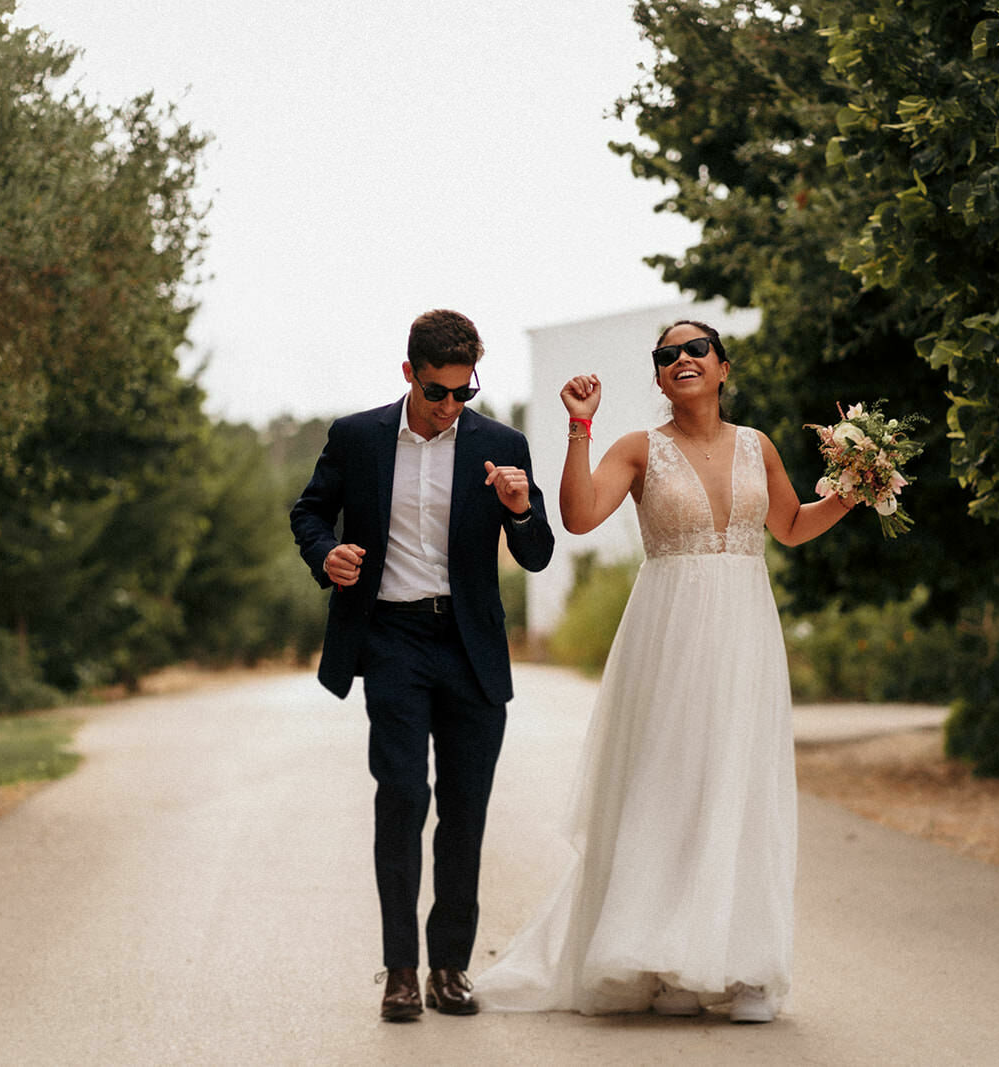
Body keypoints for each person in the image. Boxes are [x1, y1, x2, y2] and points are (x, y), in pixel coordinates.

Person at [472, 319, 853, 1023]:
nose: (681, 359)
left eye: (695, 349)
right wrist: (579, 427)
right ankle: (668, 962)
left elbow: (793, 524)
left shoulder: (757, 446)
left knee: (740, 783)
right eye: (666, 354)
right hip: (669, 635)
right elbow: (581, 516)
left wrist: (855, 489)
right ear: (657, 377)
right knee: (671, 783)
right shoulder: (638, 449)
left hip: (745, 634)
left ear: (722, 367)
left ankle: (741, 970)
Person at [290, 309, 555, 1022]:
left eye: (464, 392)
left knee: (465, 812)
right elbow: (309, 512)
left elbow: (536, 553)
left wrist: (523, 508)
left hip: (471, 648)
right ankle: (401, 970)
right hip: (393, 639)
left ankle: (450, 968)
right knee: (403, 796)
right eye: (438, 391)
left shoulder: (501, 443)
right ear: (409, 373)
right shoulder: (357, 437)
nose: (450, 407)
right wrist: (327, 554)